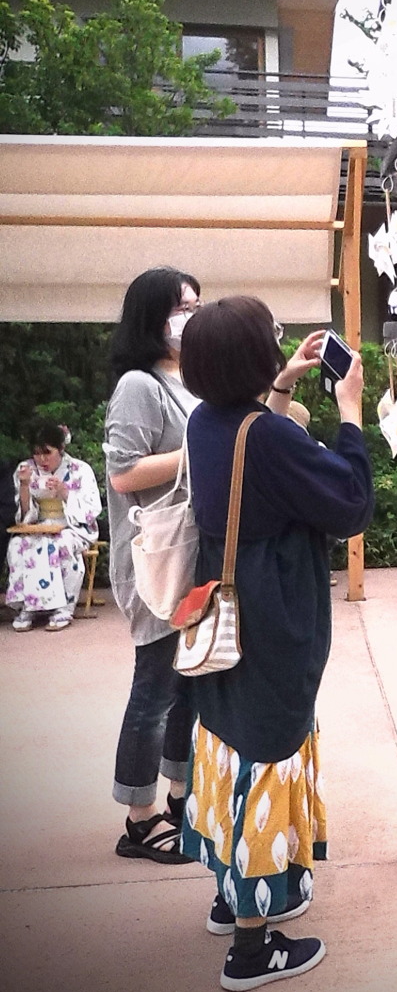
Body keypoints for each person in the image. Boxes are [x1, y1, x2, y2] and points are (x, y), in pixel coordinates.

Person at [177, 297, 373, 992]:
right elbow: (348, 502)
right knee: (269, 753)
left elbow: (258, 446)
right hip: (272, 614)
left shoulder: (209, 421)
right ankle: (252, 949)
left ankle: (235, 897)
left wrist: (283, 383)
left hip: (221, 607)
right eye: (273, 342)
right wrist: (350, 412)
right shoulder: (268, 436)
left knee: (231, 742)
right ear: (250, 360)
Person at [104, 267, 202, 864]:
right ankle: (138, 820)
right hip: (156, 560)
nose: (191, 314)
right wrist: (197, 450)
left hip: (190, 555)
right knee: (155, 690)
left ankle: (178, 798)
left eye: (197, 302)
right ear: (152, 317)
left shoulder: (188, 378)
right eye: (180, 306)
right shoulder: (139, 385)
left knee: (187, 685)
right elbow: (122, 474)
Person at [6, 420, 101, 631]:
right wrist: (23, 485)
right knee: (18, 546)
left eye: (47, 453)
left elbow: (92, 508)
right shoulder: (27, 469)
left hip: (71, 526)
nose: (41, 459)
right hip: (39, 524)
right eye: (37, 453)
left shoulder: (80, 470)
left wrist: (65, 492)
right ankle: (29, 606)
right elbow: (24, 515)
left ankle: (63, 607)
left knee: (61, 545)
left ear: (61, 449)